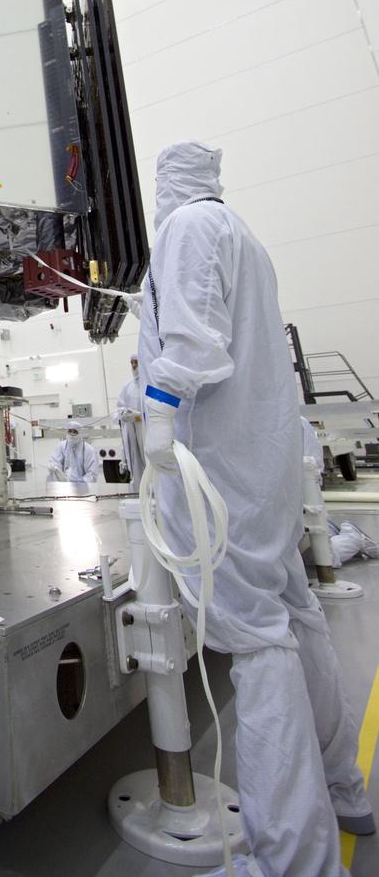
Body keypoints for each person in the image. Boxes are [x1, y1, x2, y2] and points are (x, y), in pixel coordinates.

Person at [136, 140, 372, 877]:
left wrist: (155, 409)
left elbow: (196, 349)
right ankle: (344, 789)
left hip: (222, 483)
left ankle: (294, 860)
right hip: (262, 472)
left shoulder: (185, 230)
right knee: (296, 620)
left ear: (164, 184)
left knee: (257, 649)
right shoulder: (243, 236)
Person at [301, 417, 378, 567]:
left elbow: (313, 475)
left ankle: (353, 537)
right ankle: (327, 529)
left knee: (322, 558)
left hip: (297, 517)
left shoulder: (295, 424)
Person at [113, 354, 145, 484]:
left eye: (136, 362)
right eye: (131, 362)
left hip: (146, 428)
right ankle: (138, 483)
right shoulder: (128, 386)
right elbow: (120, 407)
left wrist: (139, 416)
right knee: (134, 457)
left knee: (147, 456)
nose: (133, 365)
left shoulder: (150, 384)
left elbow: (157, 407)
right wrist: (124, 413)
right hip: (131, 429)